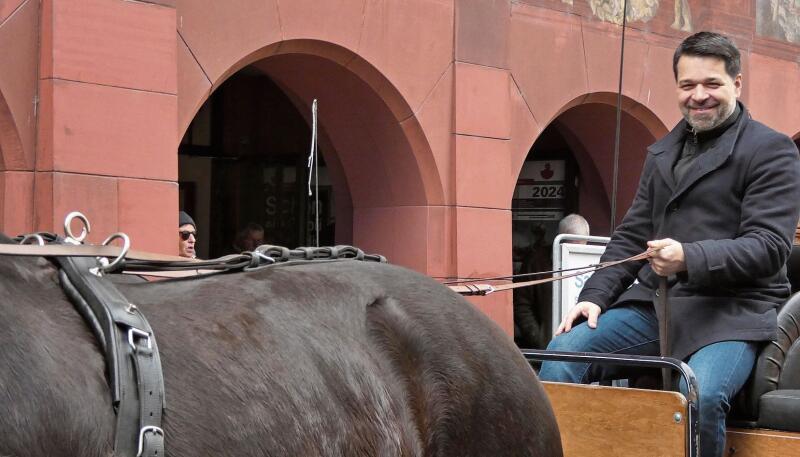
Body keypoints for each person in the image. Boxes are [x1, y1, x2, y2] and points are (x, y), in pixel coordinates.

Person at [538, 31, 800, 457]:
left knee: (701, 393)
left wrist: (688, 257)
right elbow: (630, 234)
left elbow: (769, 246)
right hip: (654, 305)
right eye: (687, 85)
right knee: (563, 352)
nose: (699, 96)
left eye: (712, 84)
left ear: (737, 84)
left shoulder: (772, 151)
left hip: (732, 312)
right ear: (676, 87)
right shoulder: (662, 153)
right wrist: (595, 297)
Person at [514, 214, 590, 348]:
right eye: (572, 246)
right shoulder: (536, 262)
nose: (574, 252)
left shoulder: (589, 260)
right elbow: (521, 306)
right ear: (559, 238)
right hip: (546, 346)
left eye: (581, 247)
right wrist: (540, 339)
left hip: (581, 344)